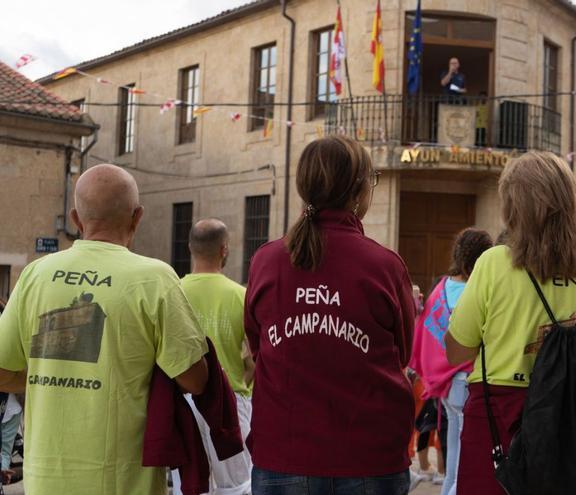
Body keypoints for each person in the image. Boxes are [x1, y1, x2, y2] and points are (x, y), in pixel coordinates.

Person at [0, 164, 209, 494]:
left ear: (76, 219)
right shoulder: (154, 278)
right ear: (137, 217)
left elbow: (2, 371)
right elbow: (195, 379)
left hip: (46, 479)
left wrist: (54, 371)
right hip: (123, 480)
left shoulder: (36, 274)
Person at [445, 151, 576, 494]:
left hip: (501, 421)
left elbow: (456, 352)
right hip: (574, 427)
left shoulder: (494, 264)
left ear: (512, 207)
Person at [245, 136, 414, 495]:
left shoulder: (266, 261)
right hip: (369, 457)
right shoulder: (384, 265)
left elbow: (260, 348)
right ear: (359, 190)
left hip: (284, 454)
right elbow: (403, 353)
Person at [409, 228, 493, 495]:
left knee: (453, 461)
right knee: (465, 465)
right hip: (466, 380)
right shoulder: (475, 290)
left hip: (444, 385)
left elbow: (426, 331)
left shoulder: (441, 287)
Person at [176, 219, 254, 495]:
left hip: (183, 402)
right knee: (237, 487)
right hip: (230, 403)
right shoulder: (241, 296)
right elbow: (256, 356)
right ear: (224, 249)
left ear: (189, 248)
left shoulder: (173, 292)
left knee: (189, 485)